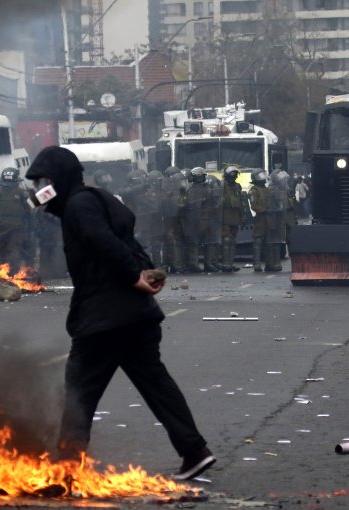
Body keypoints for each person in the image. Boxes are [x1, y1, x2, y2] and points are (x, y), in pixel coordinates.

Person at [24, 146, 215, 481]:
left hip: (104, 320)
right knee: (157, 385)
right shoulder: (96, 199)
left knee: (79, 392)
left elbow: (104, 242)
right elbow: (125, 240)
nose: (40, 188)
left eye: (44, 180)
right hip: (134, 317)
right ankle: (195, 451)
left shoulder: (79, 204)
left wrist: (134, 276)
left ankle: (67, 470)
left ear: (61, 177)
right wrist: (144, 271)